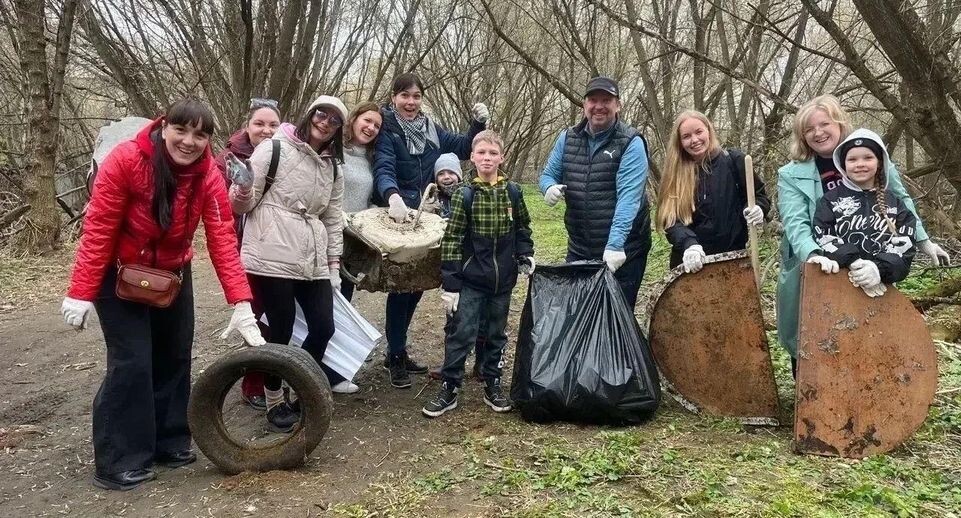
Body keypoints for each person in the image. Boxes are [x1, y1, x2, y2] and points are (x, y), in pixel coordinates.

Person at [60, 97, 265, 491]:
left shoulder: (208, 176)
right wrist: (80, 292)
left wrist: (241, 302)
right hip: (118, 274)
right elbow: (100, 227)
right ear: (164, 126)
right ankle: (119, 458)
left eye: (200, 135)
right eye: (181, 130)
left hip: (172, 274)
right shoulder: (125, 161)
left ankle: (169, 441)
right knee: (132, 363)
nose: (188, 141)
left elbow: (222, 237)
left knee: (174, 356)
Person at [777, 95, 949, 369]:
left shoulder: (870, 154)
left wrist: (923, 239)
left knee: (865, 322)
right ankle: (810, 391)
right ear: (802, 135)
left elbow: (899, 200)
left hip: (869, 257)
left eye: (824, 124)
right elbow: (795, 222)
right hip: (820, 259)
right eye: (809, 129)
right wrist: (812, 253)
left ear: (839, 124)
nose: (818, 133)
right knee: (812, 324)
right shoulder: (791, 174)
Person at [229, 95, 355, 434]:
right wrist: (240, 187)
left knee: (323, 327)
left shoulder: (334, 167)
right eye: (321, 114)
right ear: (310, 114)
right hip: (271, 250)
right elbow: (243, 204)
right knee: (280, 330)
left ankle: (300, 388)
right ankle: (273, 398)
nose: (325, 121)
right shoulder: (274, 148)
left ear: (339, 129)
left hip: (311, 255)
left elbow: (331, 218)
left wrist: (332, 266)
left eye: (334, 119)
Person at [373, 72, 489, 388]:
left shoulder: (431, 129)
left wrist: (477, 125)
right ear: (394, 97)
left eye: (416, 96)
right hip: (401, 216)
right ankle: (395, 354)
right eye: (404, 96)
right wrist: (392, 195)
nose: (410, 102)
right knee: (402, 286)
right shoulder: (388, 128)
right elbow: (383, 167)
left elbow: (465, 147)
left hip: (429, 215)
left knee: (418, 284)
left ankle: (398, 349)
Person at [423, 130, 535, 417]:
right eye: (482, 153)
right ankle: (450, 386)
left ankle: (492, 382)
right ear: (472, 157)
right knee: (462, 333)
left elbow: (522, 226)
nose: (487, 158)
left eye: (493, 153)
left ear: (502, 157)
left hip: (503, 281)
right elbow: (453, 240)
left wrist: (525, 253)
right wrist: (451, 283)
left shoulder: (513, 192)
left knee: (496, 333)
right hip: (471, 280)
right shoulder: (465, 194)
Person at [538, 76, 652, 308]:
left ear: (618, 105)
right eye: (593, 100)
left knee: (617, 315)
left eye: (606, 100)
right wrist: (548, 187)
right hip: (580, 246)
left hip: (624, 250)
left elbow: (628, 198)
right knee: (580, 312)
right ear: (584, 105)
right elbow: (548, 174)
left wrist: (615, 244)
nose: (599, 106)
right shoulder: (567, 138)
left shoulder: (631, 142)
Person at [215, 97, 282, 410]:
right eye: (259, 124)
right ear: (247, 126)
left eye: (272, 125)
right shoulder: (229, 157)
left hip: (280, 247)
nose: (266, 130)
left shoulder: (286, 153)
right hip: (245, 248)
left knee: (278, 315)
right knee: (256, 317)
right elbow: (215, 199)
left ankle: (277, 377)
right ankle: (252, 384)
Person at [656, 110, 770, 272]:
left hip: (733, 260)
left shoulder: (735, 161)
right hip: (690, 265)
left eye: (698, 132)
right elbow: (670, 219)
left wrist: (758, 208)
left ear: (708, 131)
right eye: (686, 136)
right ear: (680, 142)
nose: (694, 140)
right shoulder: (675, 174)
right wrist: (689, 245)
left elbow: (759, 196)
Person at [809, 129, 917, 295]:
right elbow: (823, 235)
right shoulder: (830, 201)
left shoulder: (895, 203)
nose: (860, 164)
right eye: (852, 159)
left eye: (868, 157)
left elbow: (906, 244)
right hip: (839, 284)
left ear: (879, 162)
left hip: (884, 287)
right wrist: (853, 261)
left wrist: (878, 268)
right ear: (843, 165)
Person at [339, 101, 383, 301]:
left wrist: (376, 214)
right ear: (354, 119)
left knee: (344, 299)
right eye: (367, 120)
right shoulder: (333, 148)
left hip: (353, 242)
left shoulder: (372, 159)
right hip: (328, 237)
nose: (371, 127)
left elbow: (368, 200)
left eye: (377, 126)